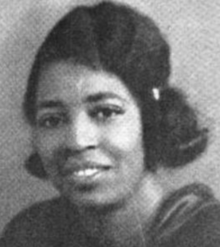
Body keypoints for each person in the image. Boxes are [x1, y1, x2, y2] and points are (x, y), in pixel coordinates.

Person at [1, 1, 220, 247]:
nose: (77, 140)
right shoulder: (29, 234)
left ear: (152, 119)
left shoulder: (209, 234)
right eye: (52, 120)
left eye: (105, 112)